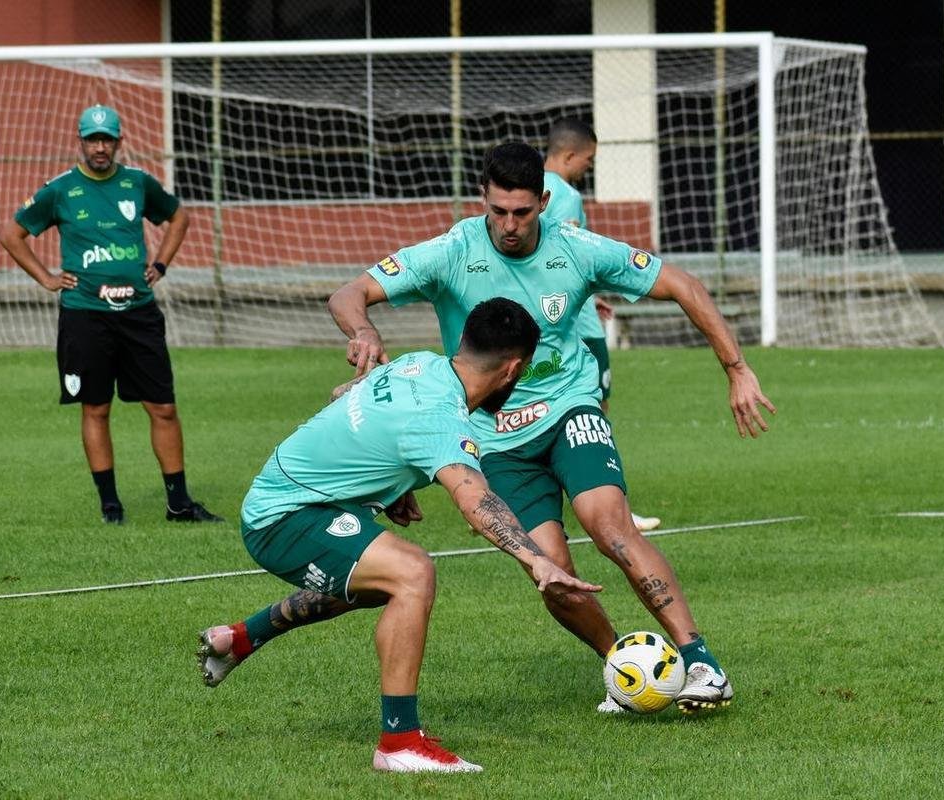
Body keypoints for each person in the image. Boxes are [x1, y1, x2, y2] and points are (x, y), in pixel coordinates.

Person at [329, 142, 776, 715]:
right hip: (494, 439)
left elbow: (683, 285)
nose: (509, 225)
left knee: (609, 527)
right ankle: (627, 668)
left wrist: (736, 369)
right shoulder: (451, 252)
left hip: (571, 411)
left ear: (543, 201)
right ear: (482, 201)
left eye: (522, 212)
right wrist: (362, 330)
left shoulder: (577, 250)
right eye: (498, 211)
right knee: (550, 570)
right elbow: (349, 293)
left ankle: (702, 662)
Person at [197, 298, 601, 774]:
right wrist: (539, 560)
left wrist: (390, 484)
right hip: (282, 516)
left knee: (375, 582)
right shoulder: (441, 420)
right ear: (514, 368)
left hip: (299, 497)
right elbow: (475, 500)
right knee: (411, 573)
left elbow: (340, 394)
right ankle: (400, 742)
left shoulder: (421, 362)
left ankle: (239, 639)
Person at [0, 105, 221, 525]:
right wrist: (46, 277)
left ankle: (179, 504)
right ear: (80, 142)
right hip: (86, 317)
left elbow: (178, 217)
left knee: (164, 408)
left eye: (107, 139)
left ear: (119, 142)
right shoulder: (61, 190)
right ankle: (110, 506)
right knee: (96, 408)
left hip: (138, 314)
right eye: (92, 139)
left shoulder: (138, 183)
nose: (100, 147)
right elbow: (12, 234)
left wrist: (161, 265)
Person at [541, 118, 660, 532]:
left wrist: (589, 292)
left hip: (551, 317)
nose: (587, 168)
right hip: (580, 329)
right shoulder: (567, 195)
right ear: (569, 155)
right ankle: (611, 504)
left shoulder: (528, 191)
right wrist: (585, 298)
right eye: (587, 160)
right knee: (593, 412)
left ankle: (508, 497)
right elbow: (572, 254)